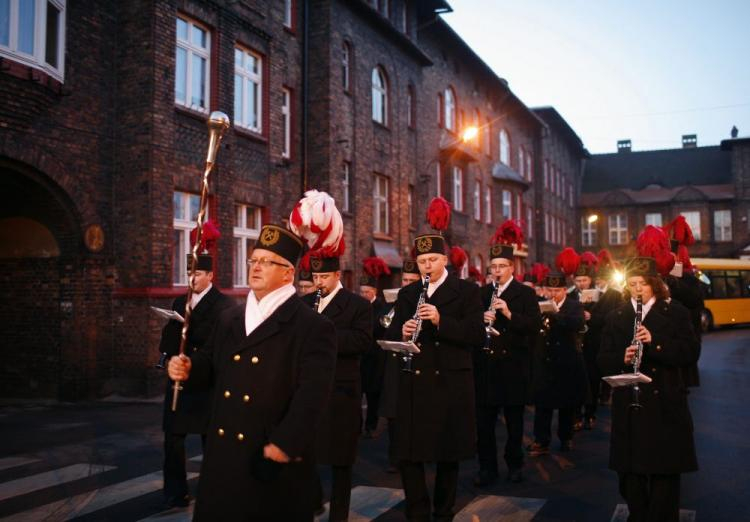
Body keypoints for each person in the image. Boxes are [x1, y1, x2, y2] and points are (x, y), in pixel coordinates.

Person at [166, 222, 337, 521]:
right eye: (253, 260)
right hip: (223, 457)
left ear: (288, 273)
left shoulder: (312, 327)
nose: (255, 267)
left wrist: (284, 445)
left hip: (268, 457)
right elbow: (210, 363)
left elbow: (312, 396)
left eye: (266, 262)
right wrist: (190, 368)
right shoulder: (230, 318)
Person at [385, 231, 485, 522]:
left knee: (447, 454)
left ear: (444, 260)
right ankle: (417, 512)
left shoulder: (466, 292)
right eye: (422, 261)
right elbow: (391, 336)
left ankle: (444, 512)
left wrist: (442, 320)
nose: (426, 266)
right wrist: (401, 332)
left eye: (432, 260)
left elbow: (477, 335)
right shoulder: (407, 294)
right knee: (409, 453)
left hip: (449, 382)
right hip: (414, 383)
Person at [598, 254, 698, 522]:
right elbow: (601, 359)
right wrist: (623, 357)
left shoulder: (676, 312)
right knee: (629, 472)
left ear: (654, 283)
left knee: (665, 471)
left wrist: (656, 342)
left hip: (665, 400)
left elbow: (690, 353)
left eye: (642, 283)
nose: (637, 289)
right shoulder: (616, 315)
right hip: (631, 403)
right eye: (632, 284)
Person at [158, 251, 233, 508]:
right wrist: (169, 347)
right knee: (172, 439)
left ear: (210, 275)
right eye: (189, 273)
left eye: (198, 274)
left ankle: (211, 491)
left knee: (208, 441)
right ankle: (175, 493)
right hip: (179, 380)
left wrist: (189, 325)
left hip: (205, 381)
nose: (192, 279)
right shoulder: (180, 302)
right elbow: (168, 340)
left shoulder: (224, 305)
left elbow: (217, 343)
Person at [305, 251, 372, 522]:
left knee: (341, 460)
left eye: (324, 276)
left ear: (337, 275)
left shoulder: (357, 305)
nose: (318, 282)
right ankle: (311, 501)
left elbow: (362, 342)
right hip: (309, 387)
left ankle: (340, 516)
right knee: (304, 452)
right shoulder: (304, 302)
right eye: (315, 276)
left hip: (342, 390)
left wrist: (325, 333)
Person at [473, 222, 540, 486]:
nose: (497, 271)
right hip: (487, 368)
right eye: (494, 267)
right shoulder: (481, 293)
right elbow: (470, 325)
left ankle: (515, 465)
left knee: (514, 424)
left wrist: (509, 314)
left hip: (513, 367)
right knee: (484, 425)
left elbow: (534, 326)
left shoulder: (524, 293)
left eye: (502, 266)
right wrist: (482, 317)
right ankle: (487, 468)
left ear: (512, 268)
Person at [528, 271, 586, 456]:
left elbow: (576, 323)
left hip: (565, 361)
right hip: (545, 361)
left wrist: (556, 314)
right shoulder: (539, 305)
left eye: (557, 290)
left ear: (564, 290)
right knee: (543, 405)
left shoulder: (574, 305)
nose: (553, 294)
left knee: (566, 405)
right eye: (550, 290)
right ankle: (541, 440)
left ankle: (566, 438)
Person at [378, 259, 422, 473]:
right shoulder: (394, 304)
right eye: (405, 279)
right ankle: (395, 457)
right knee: (393, 414)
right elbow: (385, 330)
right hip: (395, 363)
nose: (407, 284)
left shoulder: (424, 302)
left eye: (412, 280)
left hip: (417, 365)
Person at [359, 257, 391, 439]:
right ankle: (358, 426)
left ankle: (371, 426)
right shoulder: (357, 305)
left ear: (374, 292)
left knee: (372, 395)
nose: (363, 294)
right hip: (361, 357)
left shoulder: (381, 307)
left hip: (375, 358)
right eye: (362, 291)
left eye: (367, 292)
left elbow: (379, 327)